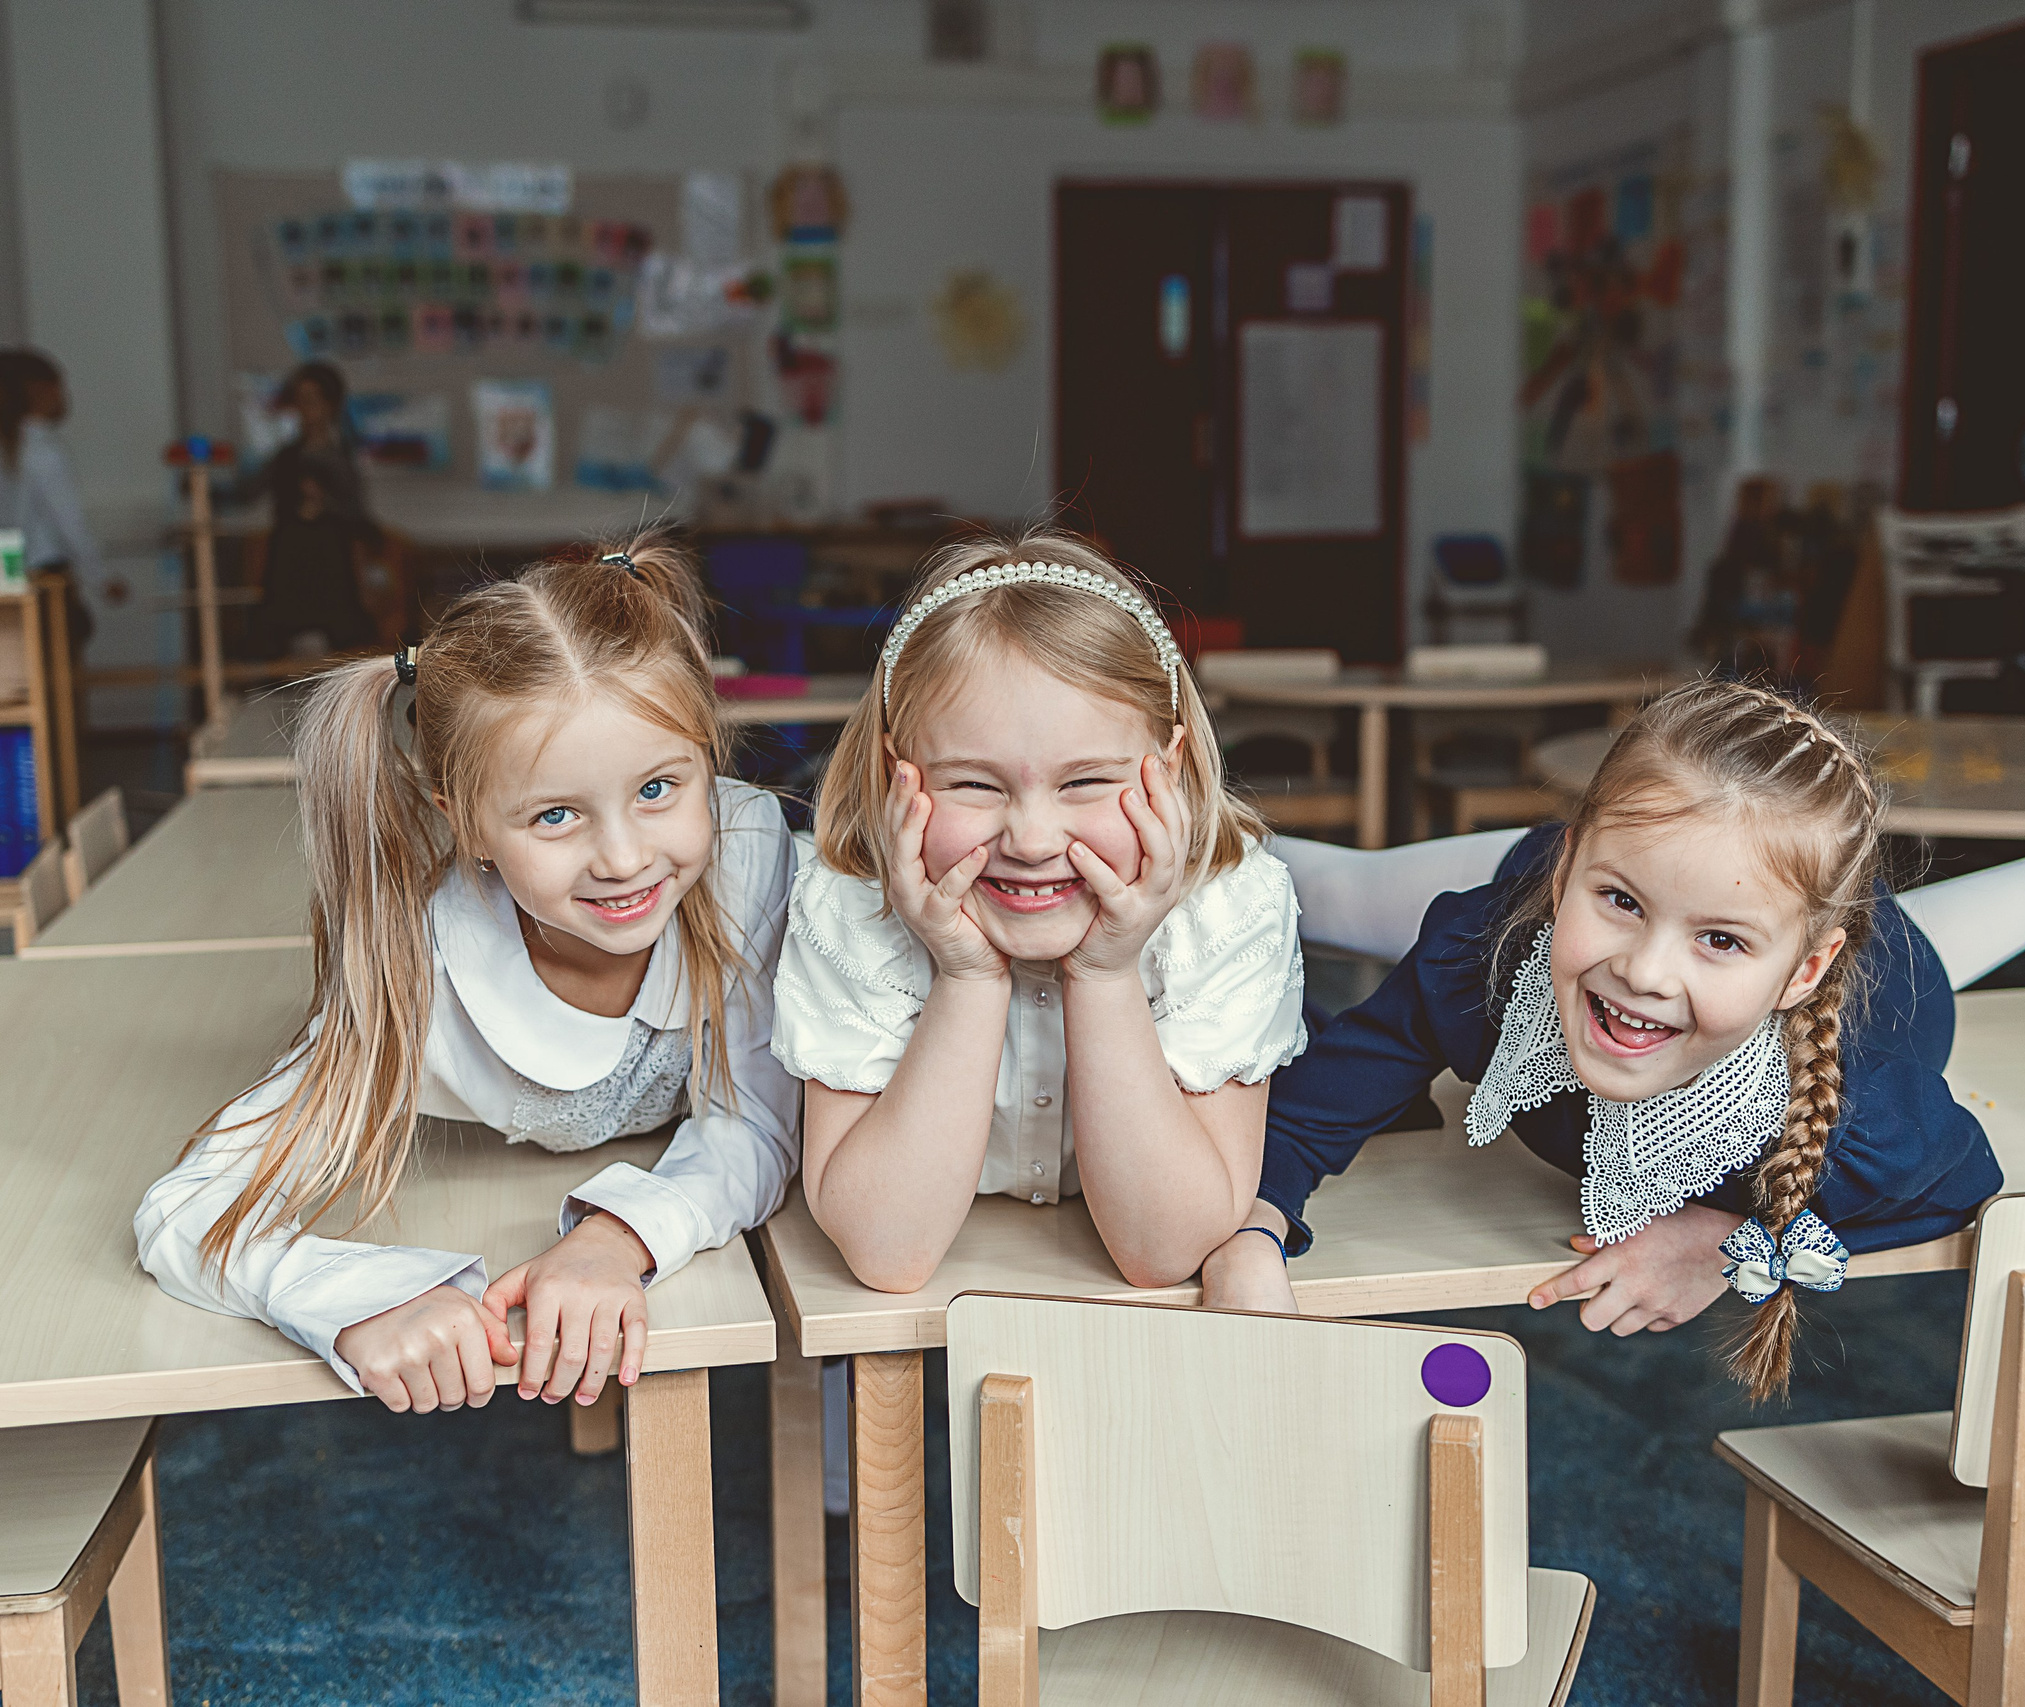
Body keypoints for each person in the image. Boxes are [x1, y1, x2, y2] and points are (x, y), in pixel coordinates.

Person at [1204, 678, 2025, 1398]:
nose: (1647, 972)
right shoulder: (1490, 944)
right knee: (1310, 887)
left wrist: (1729, 1244)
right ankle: (1197, 824)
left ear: (1802, 974)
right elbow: (1311, 1114)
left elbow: (1963, 1181)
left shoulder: (1856, 1113)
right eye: (1616, 901)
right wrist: (1253, 1233)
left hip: (1875, 982)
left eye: (1720, 941)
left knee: (1938, 939)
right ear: (1570, 876)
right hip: (1561, 887)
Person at [135, 538, 799, 1416]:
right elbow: (182, 1210)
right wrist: (353, 1295)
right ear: (468, 824)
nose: (626, 857)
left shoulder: (745, 853)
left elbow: (754, 1119)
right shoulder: (419, 961)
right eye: (555, 813)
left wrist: (617, 1237)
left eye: (659, 788)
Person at [771, 532, 1305, 1294]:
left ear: (1171, 768)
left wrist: (1108, 972)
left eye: (1085, 781)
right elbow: (888, 1251)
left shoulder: (1228, 907)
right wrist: (966, 976)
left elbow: (1164, 1250)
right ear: (897, 775)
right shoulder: (850, 905)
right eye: (974, 786)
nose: (1030, 839)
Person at [238, 361, 384, 659]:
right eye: (300, 401)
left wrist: (325, 503)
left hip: (331, 570)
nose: (306, 410)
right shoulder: (286, 458)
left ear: (329, 406)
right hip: (289, 566)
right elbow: (248, 492)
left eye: (313, 401)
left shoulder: (339, 461)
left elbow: (359, 520)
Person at [0, 347, 97, 651]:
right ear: (45, 391)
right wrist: (100, 577)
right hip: (46, 577)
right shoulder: (43, 453)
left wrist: (1, 580)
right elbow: (69, 523)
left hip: (8, 573)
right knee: (58, 668)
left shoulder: (0, 451)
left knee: (27, 664)